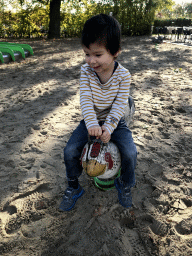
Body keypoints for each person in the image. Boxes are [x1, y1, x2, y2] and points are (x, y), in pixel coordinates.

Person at [59, 14, 137, 211]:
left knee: (130, 152)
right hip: (90, 120)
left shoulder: (123, 76)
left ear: (115, 52)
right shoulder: (86, 72)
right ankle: (73, 186)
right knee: (69, 151)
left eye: (97, 54)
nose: (91, 60)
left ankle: (125, 184)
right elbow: (85, 99)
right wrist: (92, 123)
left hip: (115, 122)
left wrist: (109, 127)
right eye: (86, 54)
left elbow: (120, 104)